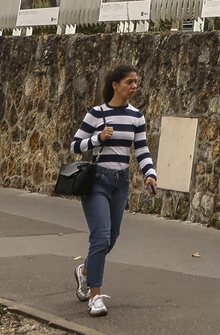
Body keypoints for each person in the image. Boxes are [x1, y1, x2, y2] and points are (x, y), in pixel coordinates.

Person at [70, 64, 158, 317]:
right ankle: (95, 297)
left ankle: (85, 271)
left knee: (113, 236)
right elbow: (75, 146)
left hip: (121, 181)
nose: (134, 87)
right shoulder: (96, 114)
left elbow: (141, 149)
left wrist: (150, 174)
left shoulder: (136, 116)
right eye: (129, 82)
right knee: (101, 237)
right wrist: (97, 139)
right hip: (97, 180)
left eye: (136, 82)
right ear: (115, 85)